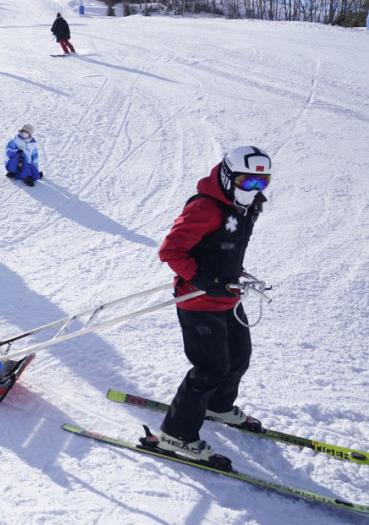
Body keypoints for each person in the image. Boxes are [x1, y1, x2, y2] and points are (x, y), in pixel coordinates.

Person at [156, 146, 272, 462]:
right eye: (248, 182)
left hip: (227, 297)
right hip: (198, 301)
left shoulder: (247, 207)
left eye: (262, 183)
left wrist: (235, 273)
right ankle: (175, 435)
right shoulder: (206, 208)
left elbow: (221, 248)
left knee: (239, 358)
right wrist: (208, 280)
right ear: (227, 175)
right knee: (210, 369)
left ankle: (217, 406)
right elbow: (171, 251)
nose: (255, 191)